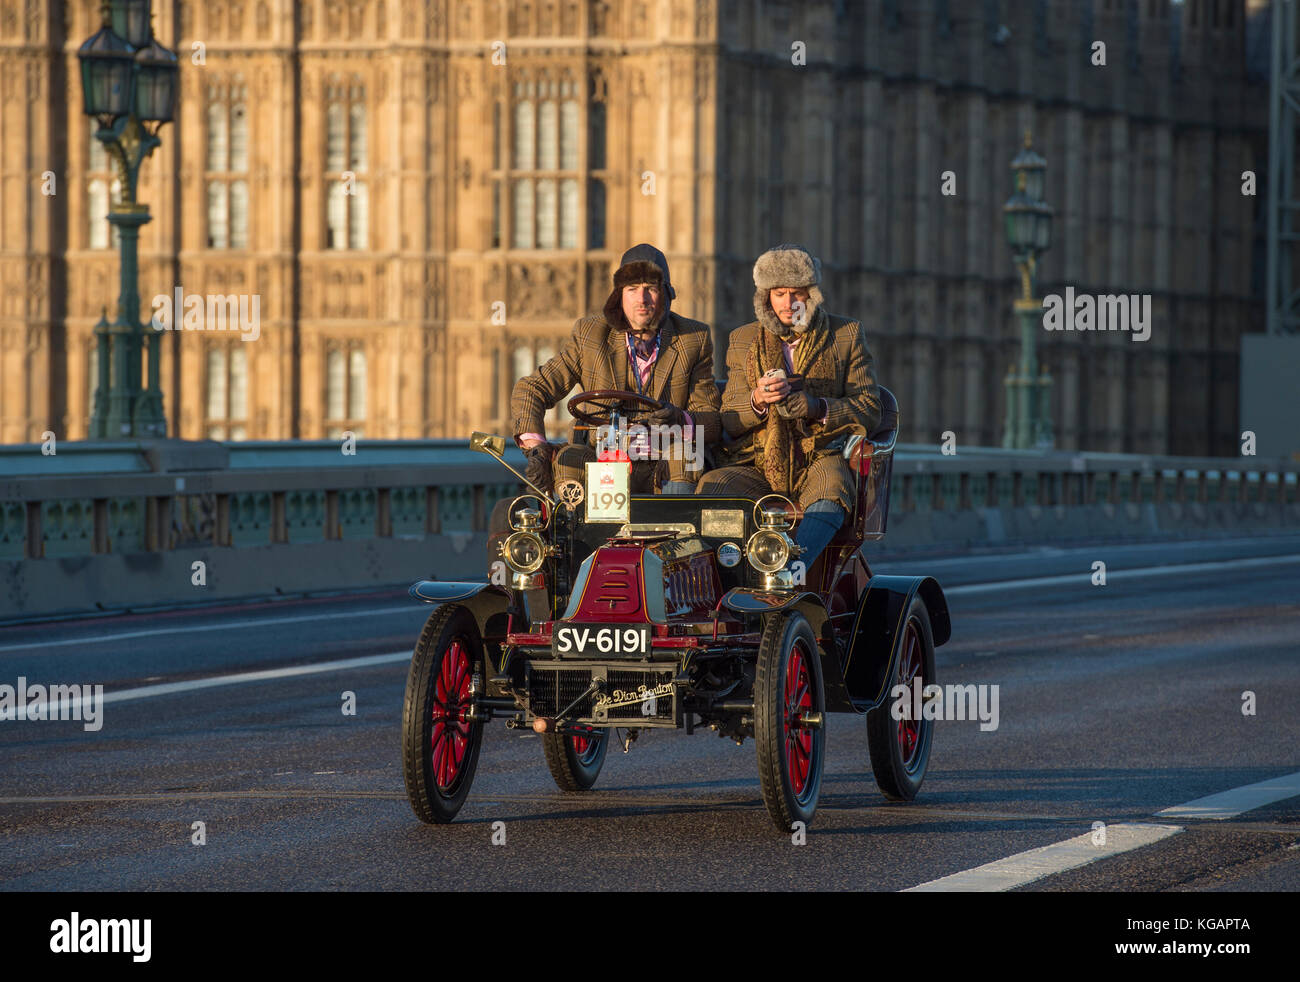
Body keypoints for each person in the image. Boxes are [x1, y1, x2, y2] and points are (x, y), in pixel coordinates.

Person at [697, 244, 881, 569]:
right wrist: (757, 401)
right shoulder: (742, 339)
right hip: (756, 461)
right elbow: (728, 420)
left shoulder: (845, 334)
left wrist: (816, 407)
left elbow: (870, 408)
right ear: (765, 296)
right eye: (779, 293)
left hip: (819, 457)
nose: (788, 303)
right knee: (712, 488)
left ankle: (791, 569)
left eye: (797, 293)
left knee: (833, 488)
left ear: (812, 294)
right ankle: (728, 575)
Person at [511, 243, 720, 495]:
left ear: (665, 294)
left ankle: (677, 530)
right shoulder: (591, 335)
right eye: (632, 290)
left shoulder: (692, 338)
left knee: (687, 455)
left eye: (650, 289)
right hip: (603, 459)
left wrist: (678, 418)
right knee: (569, 459)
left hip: (665, 460)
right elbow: (532, 388)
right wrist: (537, 449)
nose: (642, 299)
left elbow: (711, 421)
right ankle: (571, 531)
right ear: (619, 296)